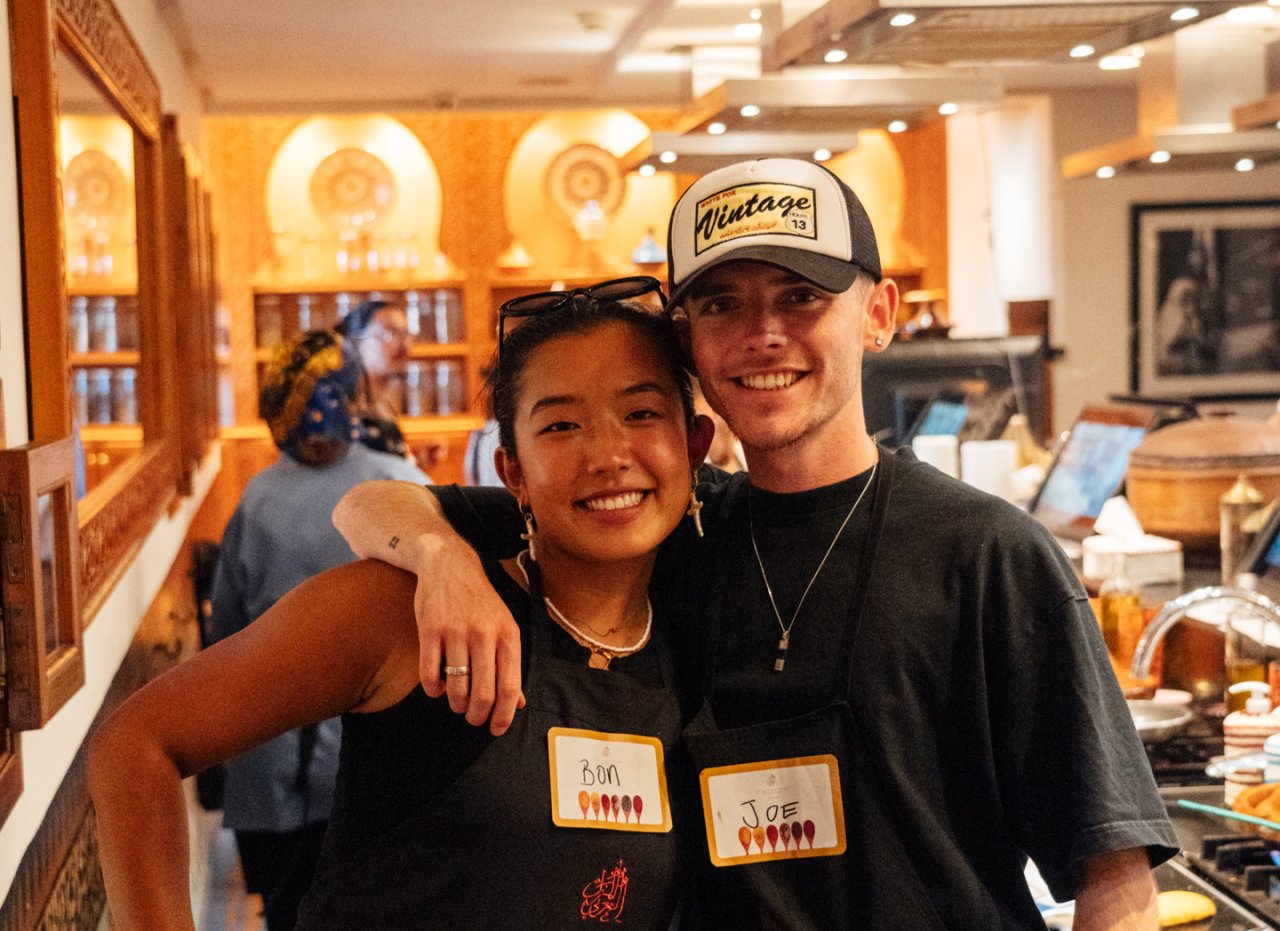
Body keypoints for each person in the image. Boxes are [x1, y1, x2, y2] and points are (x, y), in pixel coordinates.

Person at [334, 158, 1177, 929]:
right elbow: (376, 502)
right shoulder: (660, 525)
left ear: (877, 314)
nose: (762, 333)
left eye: (800, 295)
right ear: (689, 341)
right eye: (722, 304)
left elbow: (1116, 875)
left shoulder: (989, 555)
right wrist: (439, 556)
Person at [88, 294, 712, 930]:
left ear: (696, 445)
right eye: (560, 425)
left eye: (641, 413)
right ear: (512, 470)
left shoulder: (701, 629)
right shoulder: (405, 613)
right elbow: (138, 745)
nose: (607, 456)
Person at [210, 331, 430, 929]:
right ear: (354, 394)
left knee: (285, 912)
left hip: (269, 750)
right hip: (381, 755)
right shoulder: (404, 483)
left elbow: (224, 634)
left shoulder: (256, 499)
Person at [335, 299, 412, 457]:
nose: (404, 345)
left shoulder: (384, 402)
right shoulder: (344, 409)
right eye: (389, 334)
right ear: (355, 342)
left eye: (405, 334)